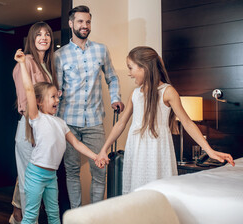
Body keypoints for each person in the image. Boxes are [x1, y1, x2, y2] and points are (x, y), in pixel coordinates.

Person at [96, 46, 235, 194]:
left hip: (157, 149)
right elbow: (121, 123)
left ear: (145, 67)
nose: (129, 73)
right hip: (136, 149)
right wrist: (104, 149)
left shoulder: (167, 92)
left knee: (158, 191)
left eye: (131, 68)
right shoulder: (135, 94)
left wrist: (210, 151)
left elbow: (187, 123)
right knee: (137, 193)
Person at [14, 49, 101, 224]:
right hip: (36, 174)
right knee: (31, 216)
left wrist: (95, 156)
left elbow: (76, 143)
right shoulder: (36, 118)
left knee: (54, 216)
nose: (57, 100)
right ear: (39, 101)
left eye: (57, 96)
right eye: (52, 97)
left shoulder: (61, 123)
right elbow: (29, 89)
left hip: (51, 176)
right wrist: (23, 64)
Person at [54, 5, 124, 208]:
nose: (84, 26)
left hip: (94, 121)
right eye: (80, 21)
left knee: (100, 169)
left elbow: (112, 77)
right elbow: (57, 91)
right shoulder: (60, 55)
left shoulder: (101, 50)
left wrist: (115, 98)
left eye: (87, 22)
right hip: (69, 123)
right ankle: (77, 215)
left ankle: (96, 215)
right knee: (72, 171)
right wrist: (56, 124)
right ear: (71, 24)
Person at [11, 22, 59, 224]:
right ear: (32, 38)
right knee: (29, 181)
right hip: (30, 127)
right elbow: (24, 100)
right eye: (38, 34)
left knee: (34, 177)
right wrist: (35, 124)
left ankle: (17, 216)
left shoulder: (48, 64)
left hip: (45, 128)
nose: (44, 37)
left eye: (47, 34)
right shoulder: (27, 62)